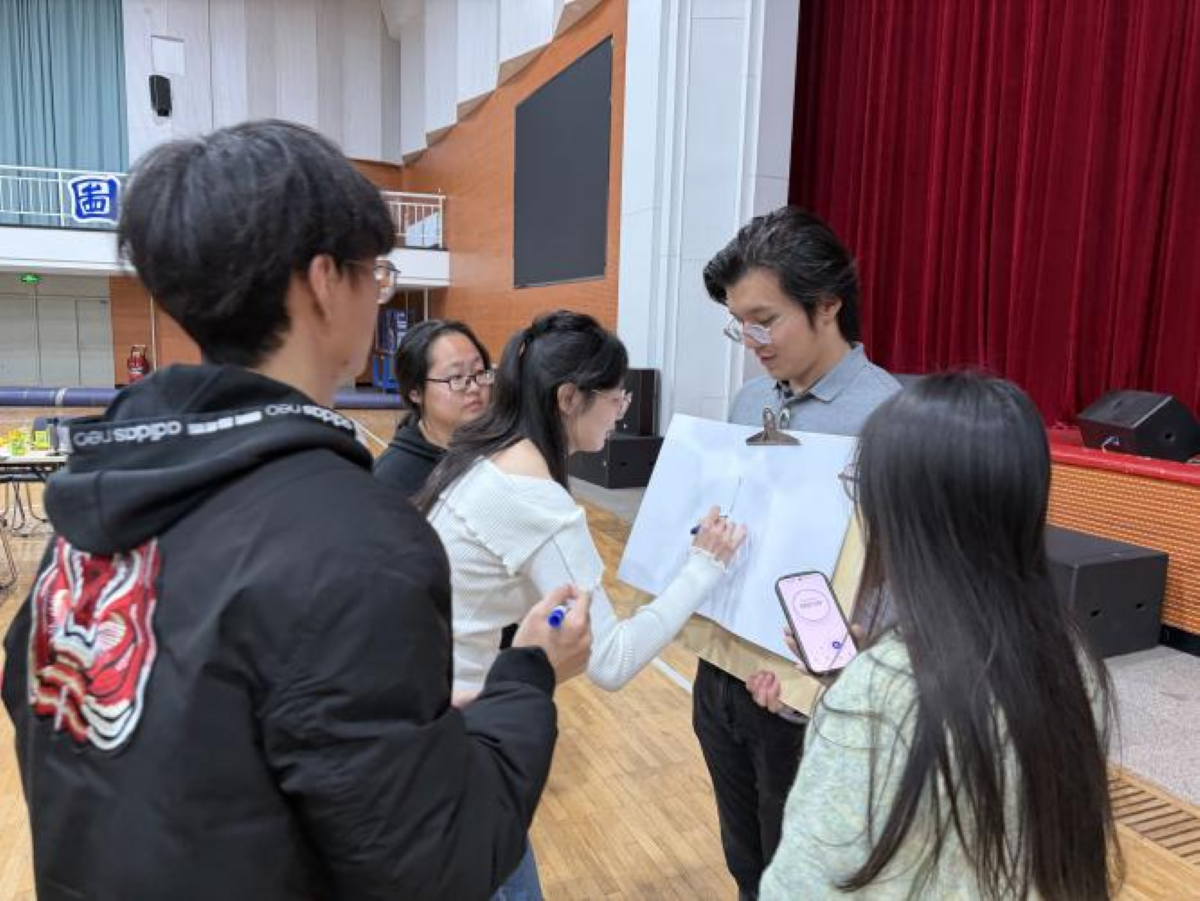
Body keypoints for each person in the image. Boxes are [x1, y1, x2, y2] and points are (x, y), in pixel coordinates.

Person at [1, 120, 594, 901]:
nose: (378, 294)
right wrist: (528, 673)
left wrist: (380, 719)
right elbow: (437, 860)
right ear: (322, 281)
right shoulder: (350, 534)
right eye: (375, 271)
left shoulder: (97, 502)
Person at [417, 309, 748, 899]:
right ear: (569, 398)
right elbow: (612, 662)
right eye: (616, 396)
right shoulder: (534, 499)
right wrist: (704, 567)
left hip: (427, 721)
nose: (621, 409)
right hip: (455, 745)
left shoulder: (484, 457)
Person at [760, 373, 1118, 899]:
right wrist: (849, 678)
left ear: (904, 514)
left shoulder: (880, 688)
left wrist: (857, 689)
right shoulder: (1069, 653)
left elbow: (799, 886)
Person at [694, 207, 901, 899]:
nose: (751, 341)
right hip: (724, 673)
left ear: (828, 304)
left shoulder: (888, 418)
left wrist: (830, 669)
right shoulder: (750, 398)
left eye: (765, 320)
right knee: (745, 861)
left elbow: (899, 579)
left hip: (811, 695)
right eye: (739, 324)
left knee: (806, 875)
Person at [374, 319, 494, 496]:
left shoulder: (503, 453)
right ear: (415, 392)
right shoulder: (388, 481)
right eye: (456, 377)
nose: (475, 387)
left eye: (479, 372)